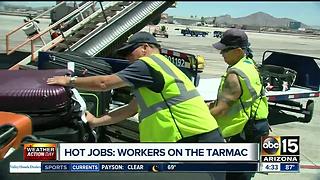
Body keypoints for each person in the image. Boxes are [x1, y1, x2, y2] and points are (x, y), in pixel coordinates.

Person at [47, 31, 224, 143]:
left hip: (189, 139)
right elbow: (132, 109)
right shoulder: (164, 67)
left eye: (129, 52)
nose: (127, 59)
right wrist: (96, 122)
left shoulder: (147, 64)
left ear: (145, 48)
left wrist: (69, 81)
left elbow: (104, 83)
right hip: (201, 136)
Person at [209, 28, 269, 180]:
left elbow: (221, 109)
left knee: (234, 176)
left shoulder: (234, 74)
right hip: (258, 127)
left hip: (242, 132)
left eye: (224, 50)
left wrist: (199, 117)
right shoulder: (250, 65)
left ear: (237, 51)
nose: (221, 54)